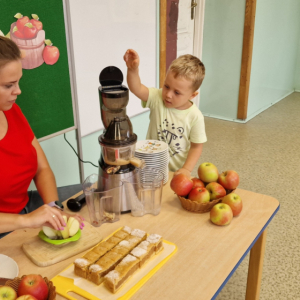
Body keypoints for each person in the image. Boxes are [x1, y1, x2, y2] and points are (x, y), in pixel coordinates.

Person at [0, 36, 84, 238]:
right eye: (8, 85)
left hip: (28, 206)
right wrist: (27, 220)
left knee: (90, 193)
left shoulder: (12, 111)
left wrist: (53, 207)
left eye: (18, 82)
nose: (18, 91)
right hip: (8, 226)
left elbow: (42, 169)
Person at [123, 49, 207, 178]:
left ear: (192, 95)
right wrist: (133, 70)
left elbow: (196, 147)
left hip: (175, 172)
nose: (168, 95)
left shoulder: (195, 116)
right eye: (166, 86)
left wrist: (186, 169)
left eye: (177, 92)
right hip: (149, 166)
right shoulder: (157, 98)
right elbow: (137, 88)